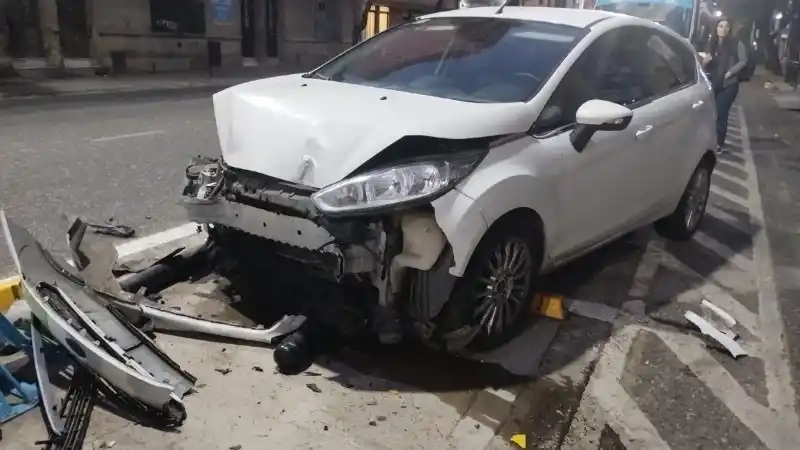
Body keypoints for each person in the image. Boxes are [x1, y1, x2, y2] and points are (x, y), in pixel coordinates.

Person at [702, 18, 748, 154]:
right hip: (713, 83)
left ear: (729, 29)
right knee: (711, 113)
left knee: (721, 113)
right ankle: (710, 140)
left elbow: (743, 60)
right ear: (716, 28)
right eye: (720, 26)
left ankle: (719, 143)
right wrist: (705, 61)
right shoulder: (711, 44)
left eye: (726, 26)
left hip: (729, 85)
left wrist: (731, 72)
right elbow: (705, 65)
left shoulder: (736, 44)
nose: (723, 29)